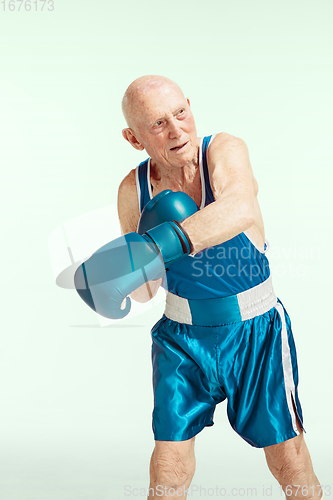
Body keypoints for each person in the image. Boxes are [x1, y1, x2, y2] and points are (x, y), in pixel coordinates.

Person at [115, 75, 323, 500]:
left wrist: (160, 241)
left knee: (288, 459)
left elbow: (240, 207)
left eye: (180, 113)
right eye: (157, 124)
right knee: (168, 466)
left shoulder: (224, 150)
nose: (176, 130)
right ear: (133, 138)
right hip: (181, 340)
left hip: (255, 332)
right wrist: (124, 271)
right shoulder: (131, 191)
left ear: (190, 106)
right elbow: (144, 292)